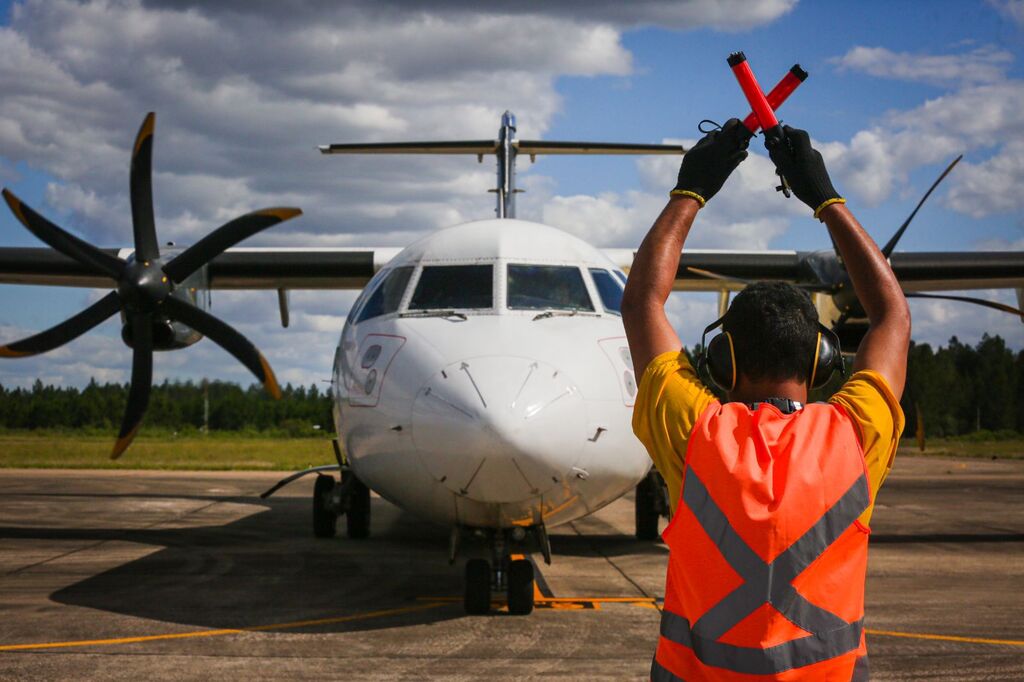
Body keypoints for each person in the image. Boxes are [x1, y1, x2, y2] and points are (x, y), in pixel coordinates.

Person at [622, 118, 910, 681]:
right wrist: (824, 196)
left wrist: (691, 190)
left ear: (723, 360)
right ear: (820, 360)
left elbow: (641, 304)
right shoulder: (855, 437)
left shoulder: (696, 435)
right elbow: (891, 314)